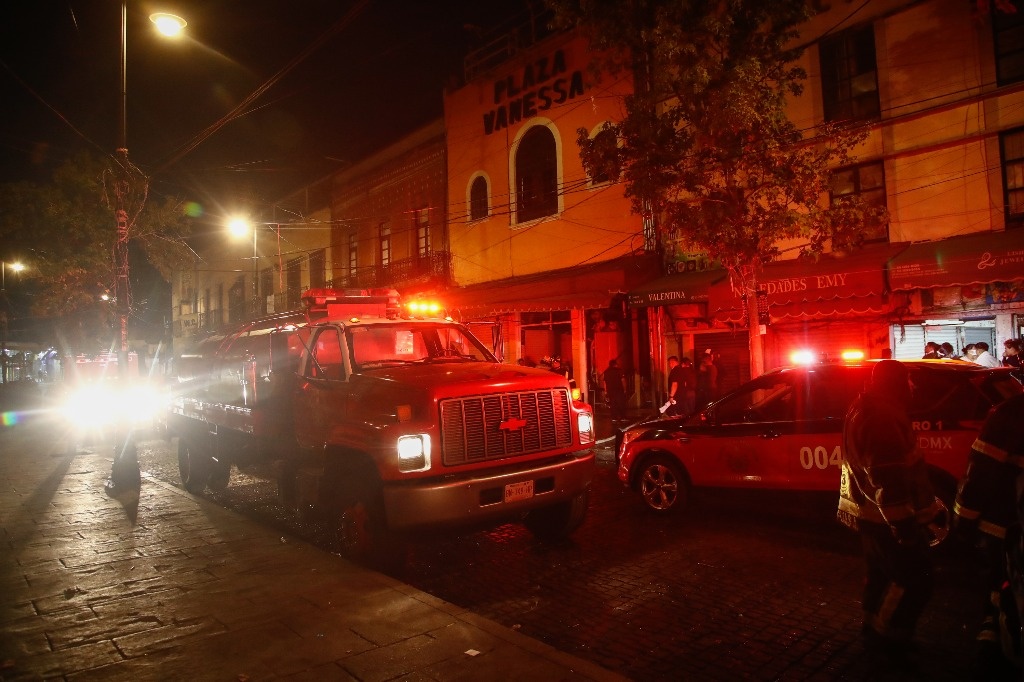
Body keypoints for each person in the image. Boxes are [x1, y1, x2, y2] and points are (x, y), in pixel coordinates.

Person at [837, 360, 941, 660]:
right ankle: (890, 643)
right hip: (886, 520)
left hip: (871, 516)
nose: (913, 387)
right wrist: (905, 527)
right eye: (908, 380)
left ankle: (872, 631)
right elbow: (888, 477)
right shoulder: (882, 415)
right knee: (915, 580)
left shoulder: (866, 405)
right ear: (895, 382)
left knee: (881, 577)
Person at [954, 393, 1024, 677]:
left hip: (1005, 528)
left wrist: (964, 523)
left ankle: (991, 663)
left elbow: (980, 472)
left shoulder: (1012, 413)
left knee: (999, 598)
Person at [603, 359, 628, 423]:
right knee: (621, 403)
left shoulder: (606, 372)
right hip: (619, 389)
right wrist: (625, 389)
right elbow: (623, 380)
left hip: (610, 390)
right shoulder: (619, 371)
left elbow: (605, 383)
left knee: (613, 404)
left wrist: (606, 391)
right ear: (615, 364)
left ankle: (614, 418)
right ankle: (623, 417)